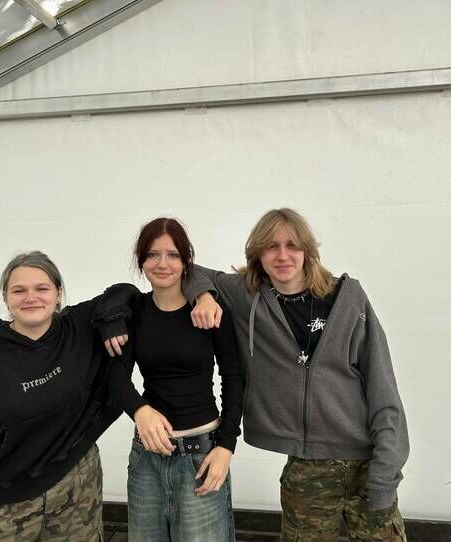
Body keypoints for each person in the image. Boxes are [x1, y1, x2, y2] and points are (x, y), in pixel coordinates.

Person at [181, 208, 409, 542]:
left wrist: (385, 472)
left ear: (307, 251)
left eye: (292, 245)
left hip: (368, 462)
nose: (282, 255)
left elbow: (382, 387)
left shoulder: (348, 299)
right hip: (306, 468)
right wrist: (203, 295)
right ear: (258, 254)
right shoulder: (246, 296)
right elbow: (186, 270)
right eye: (271, 246)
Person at [0, 251, 121, 542]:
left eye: (42, 288)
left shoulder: (79, 328)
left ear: (58, 293)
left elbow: (123, 293)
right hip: (2, 499)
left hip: (75, 487)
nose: (31, 298)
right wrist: (7, 440)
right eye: (19, 290)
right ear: (6, 298)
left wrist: (113, 322)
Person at [95, 217, 244, 542]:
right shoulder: (134, 311)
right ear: (141, 260)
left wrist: (226, 447)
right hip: (146, 460)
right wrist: (140, 410)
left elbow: (234, 377)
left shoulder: (210, 310)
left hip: (202, 456)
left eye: (173, 255)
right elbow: (116, 376)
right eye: (153, 254)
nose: (162, 263)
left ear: (186, 260)